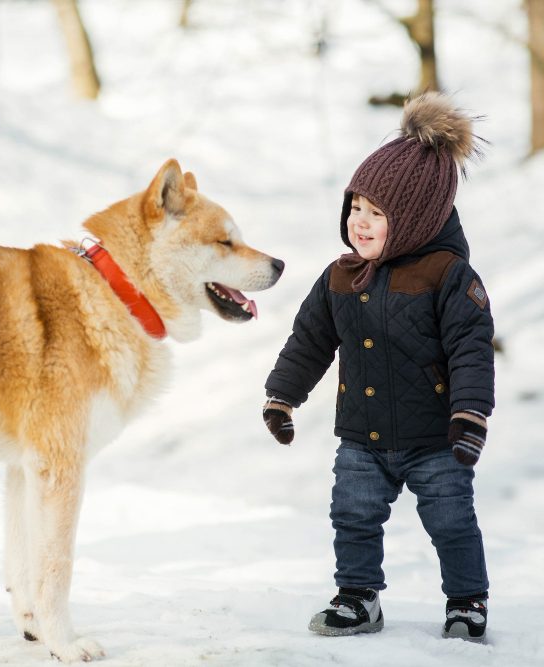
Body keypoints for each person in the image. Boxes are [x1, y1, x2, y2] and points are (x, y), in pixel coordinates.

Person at [262, 92, 494, 643]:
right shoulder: (341, 276)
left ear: (412, 220)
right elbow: (310, 341)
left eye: (377, 213)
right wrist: (282, 396)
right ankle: (358, 596)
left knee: (451, 521)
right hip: (362, 436)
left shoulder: (447, 275)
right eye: (355, 208)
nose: (359, 223)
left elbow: (471, 346)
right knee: (353, 516)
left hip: (436, 436)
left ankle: (467, 601)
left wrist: (470, 414)